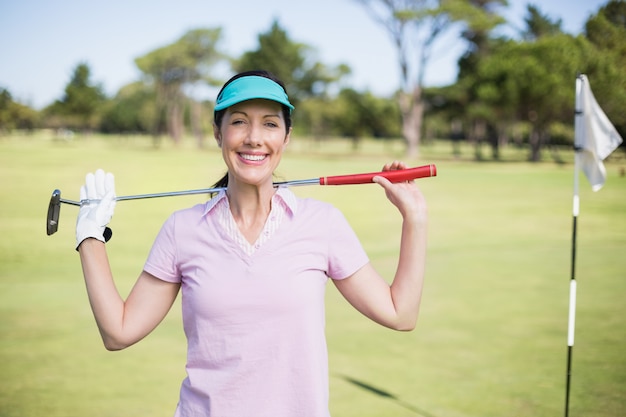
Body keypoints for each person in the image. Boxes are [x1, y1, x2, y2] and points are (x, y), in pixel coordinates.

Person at [75, 69, 428, 417]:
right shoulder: (182, 229)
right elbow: (118, 332)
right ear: (218, 132)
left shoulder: (322, 223)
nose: (254, 138)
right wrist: (90, 234)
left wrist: (414, 217)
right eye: (239, 121)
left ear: (286, 136)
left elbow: (400, 313)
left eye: (270, 123)